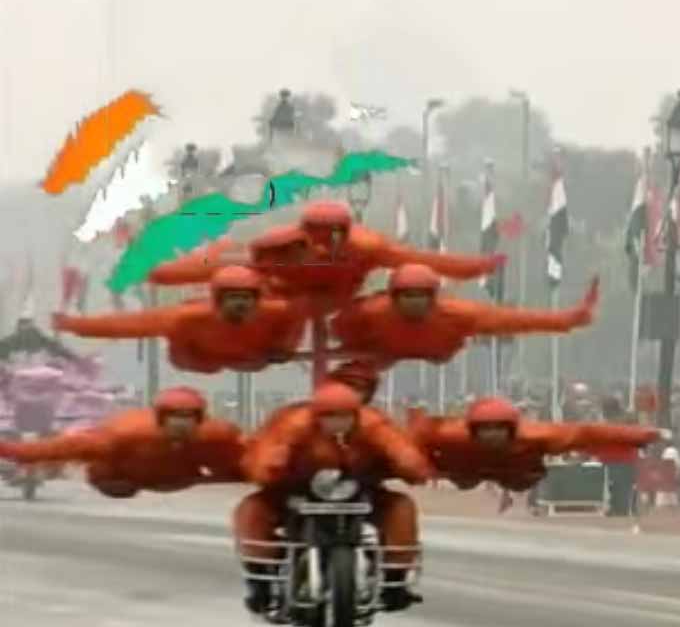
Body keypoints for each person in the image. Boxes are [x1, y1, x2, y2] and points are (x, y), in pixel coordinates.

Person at [235, 382, 433, 615]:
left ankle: (395, 580)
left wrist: (412, 468)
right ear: (316, 415)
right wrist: (271, 468)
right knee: (252, 510)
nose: (337, 422)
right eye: (329, 416)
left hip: (358, 489)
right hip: (294, 489)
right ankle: (260, 582)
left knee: (401, 507)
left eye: (344, 416)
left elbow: (401, 450)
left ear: (356, 414)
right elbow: (267, 456)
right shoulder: (294, 423)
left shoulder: (373, 424)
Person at [149, 200, 504, 307]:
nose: (325, 243)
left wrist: (476, 267)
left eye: (334, 234)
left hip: (344, 304)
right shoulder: (279, 247)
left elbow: (425, 262)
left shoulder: (368, 247)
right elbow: (228, 264)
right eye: (317, 233)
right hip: (288, 302)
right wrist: (163, 273)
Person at [52, 266, 310, 373]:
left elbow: (300, 313)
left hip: (252, 356)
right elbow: (127, 325)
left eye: (247, 297)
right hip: (200, 358)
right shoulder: (186, 318)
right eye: (233, 297)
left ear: (258, 298)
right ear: (218, 300)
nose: (241, 304)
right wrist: (72, 324)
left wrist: (285, 347)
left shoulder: (279, 310)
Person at [330, 265, 599, 366]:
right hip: (379, 352)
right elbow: (337, 326)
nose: (414, 303)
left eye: (421, 296)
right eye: (407, 296)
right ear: (393, 296)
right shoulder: (371, 311)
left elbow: (516, 320)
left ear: (434, 297)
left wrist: (569, 319)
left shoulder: (457, 314)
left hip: (438, 348)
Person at [0, 387, 245, 497]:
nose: (181, 424)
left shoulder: (219, 434)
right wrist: (10, 450)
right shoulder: (124, 435)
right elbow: (57, 448)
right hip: (120, 478)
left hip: (180, 476)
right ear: (161, 419)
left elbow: (252, 453)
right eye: (175, 418)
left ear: (200, 419)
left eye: (188, 418)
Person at [409, 396, 665, 492]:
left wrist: (642, 436)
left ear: (512, 429)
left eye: (499, 429)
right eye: (485, 430)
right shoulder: (449, 434)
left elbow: (589, 433)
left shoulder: (538, 436)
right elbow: (406, 437)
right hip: (462, 470)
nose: (492, 437)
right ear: (472, 429)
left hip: (520, 473)